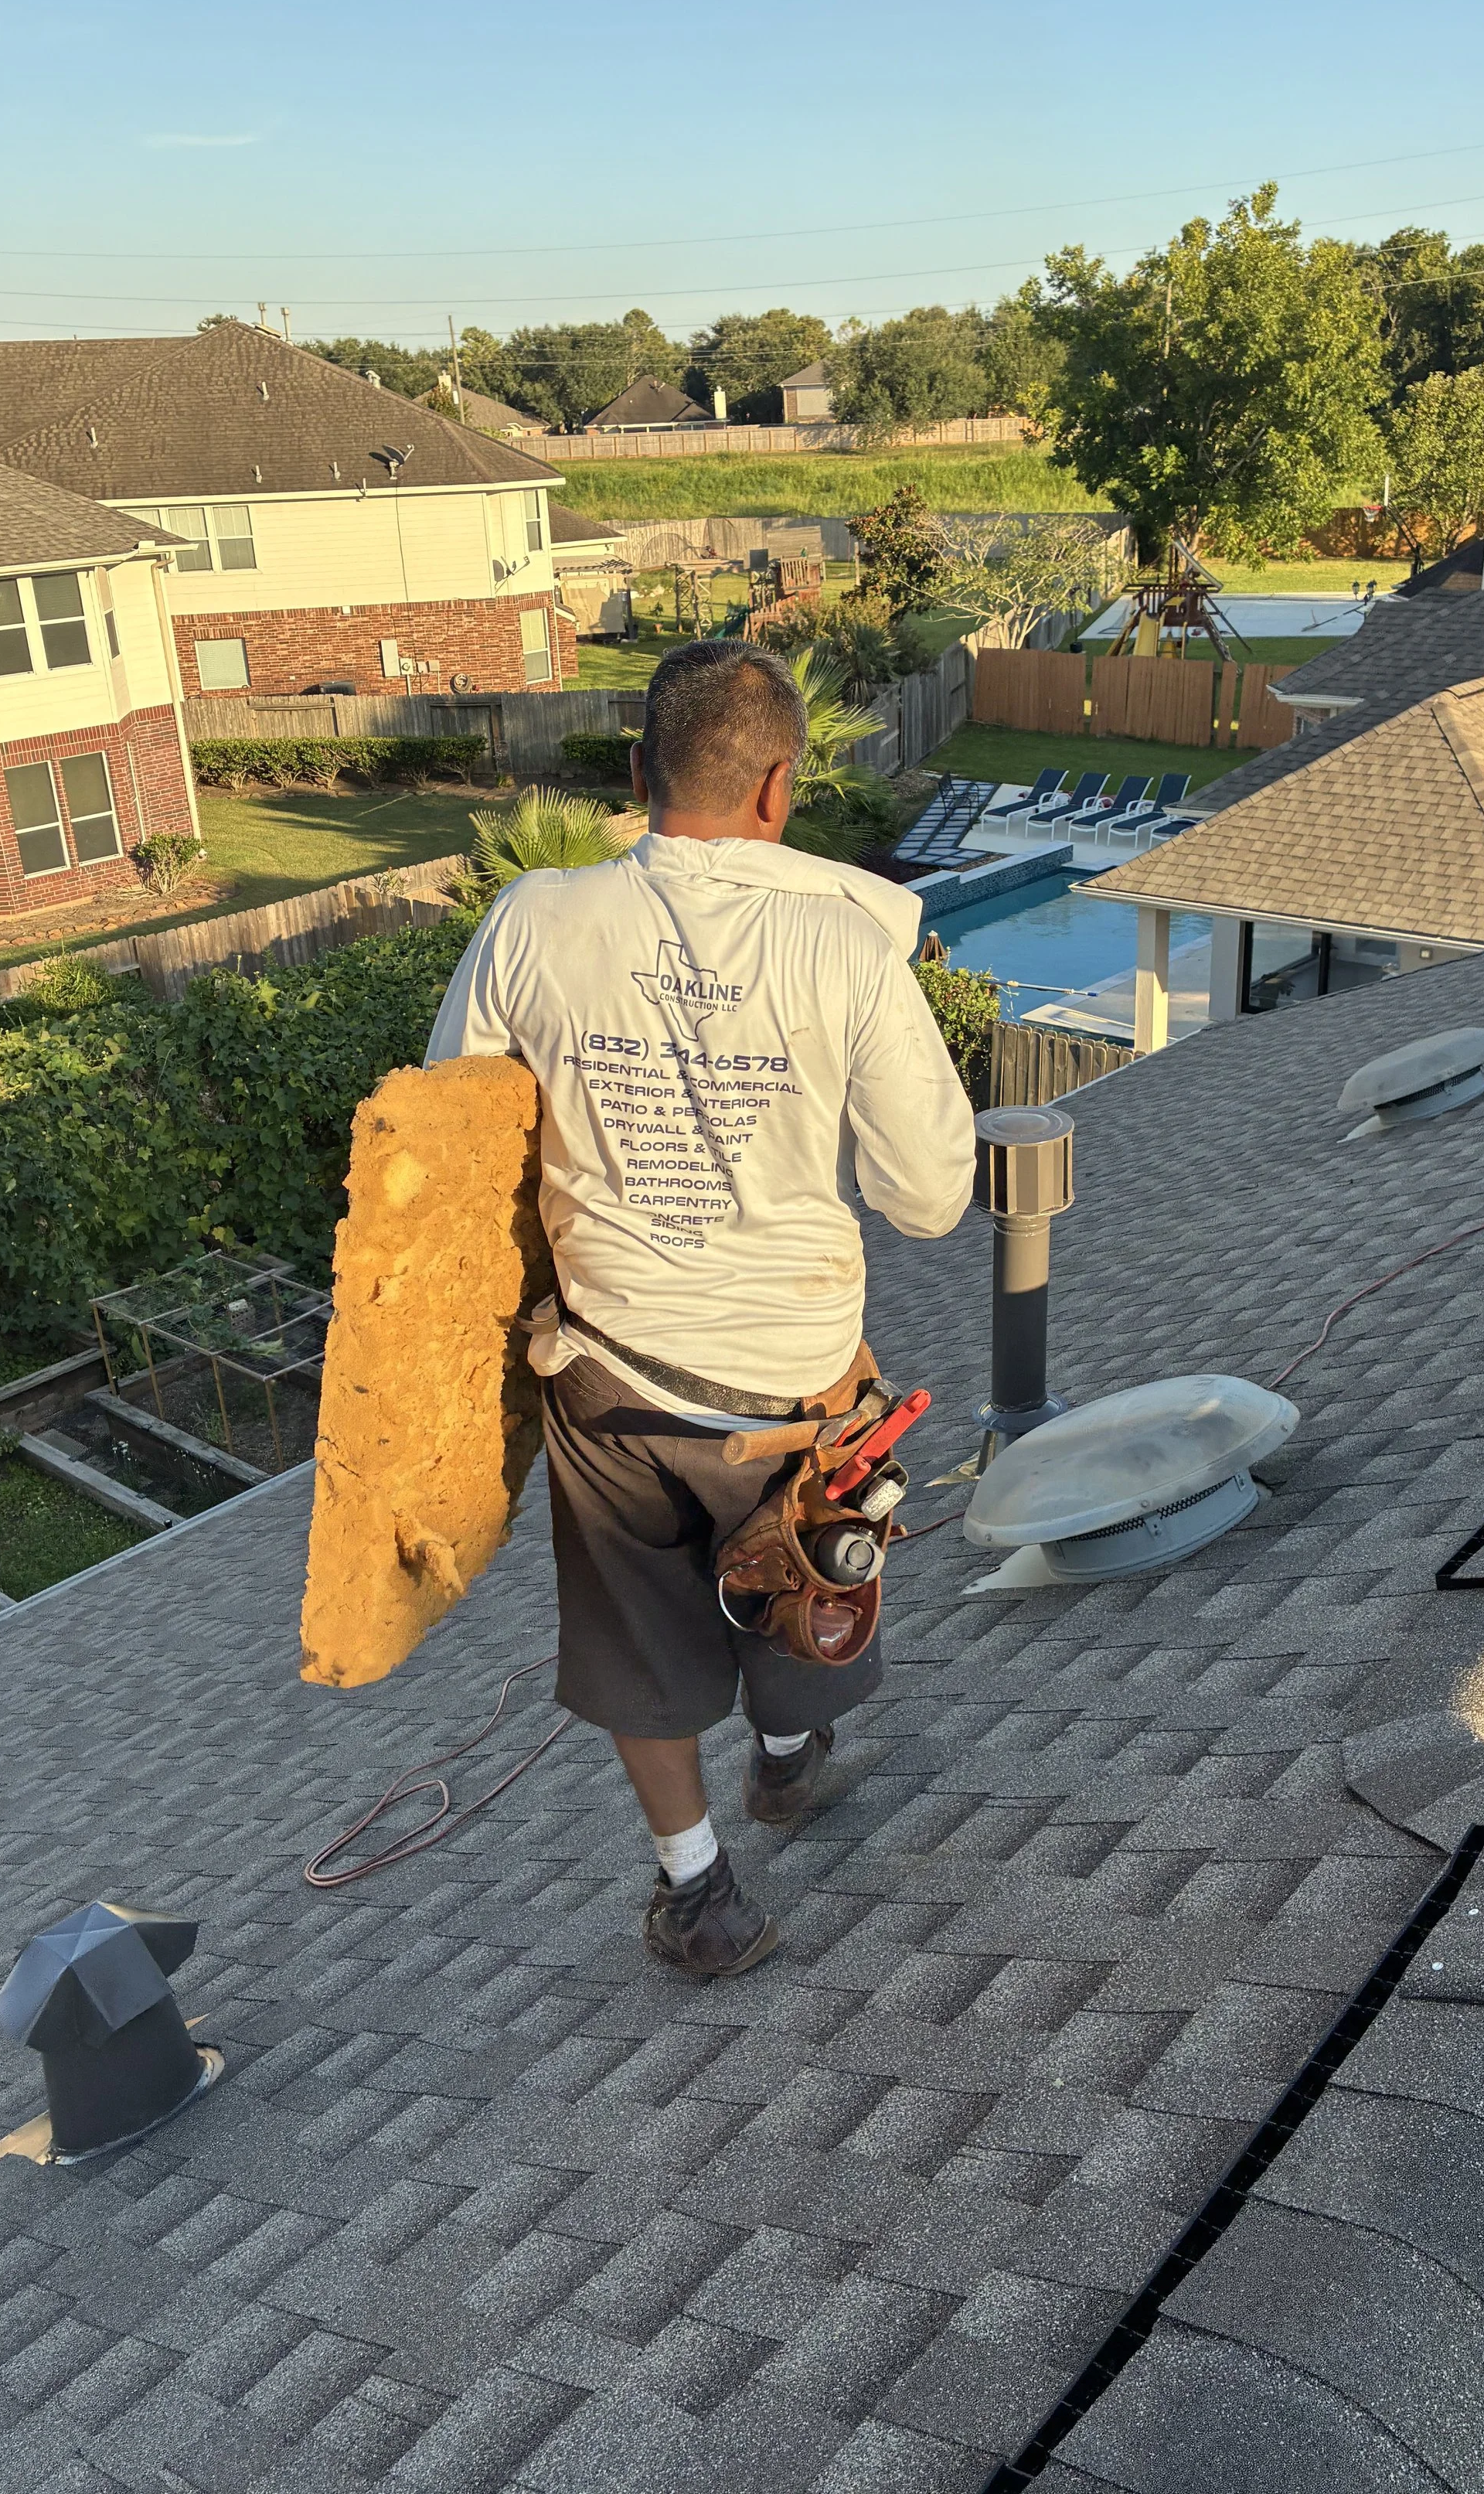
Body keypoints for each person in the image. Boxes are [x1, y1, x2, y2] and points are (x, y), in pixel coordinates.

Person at [426, 641, 976, 1977]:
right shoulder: (845, 948)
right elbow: (930, 1198)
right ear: (781, 786)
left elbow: (446, 1140)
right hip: (792, 1386)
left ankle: (699, 1892)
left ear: (635, 776)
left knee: (637, 1635)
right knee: (803, 1564)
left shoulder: (534, 924)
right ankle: (788, 1760)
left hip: (611, 1376)